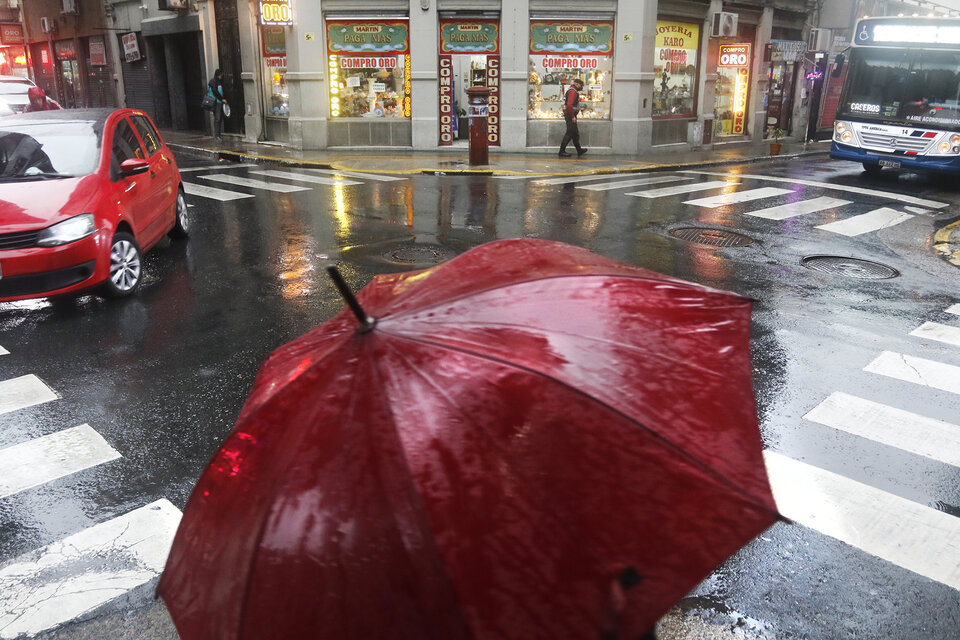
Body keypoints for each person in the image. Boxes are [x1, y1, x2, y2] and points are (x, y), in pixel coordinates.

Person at [558, 78, 587, 158]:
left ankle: (579, 150)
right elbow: (570, 105)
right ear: (577, 84)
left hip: (571, 115)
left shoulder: (572, 90)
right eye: (581, 85)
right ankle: (561, 151)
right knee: (569, 133)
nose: (581, 87)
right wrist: (572, 116)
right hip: (570, 116)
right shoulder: (573, 92)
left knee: (575, 134)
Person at [207, 69, 228, 142]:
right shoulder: (213, 81)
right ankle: (216, 136)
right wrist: (222, 99)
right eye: (221, 75)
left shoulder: (219, 82)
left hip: (219, 102)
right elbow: (214, 91)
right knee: (217, 119)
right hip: (216, 102)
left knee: (219, 119)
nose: (221, 76)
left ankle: (218, 135)